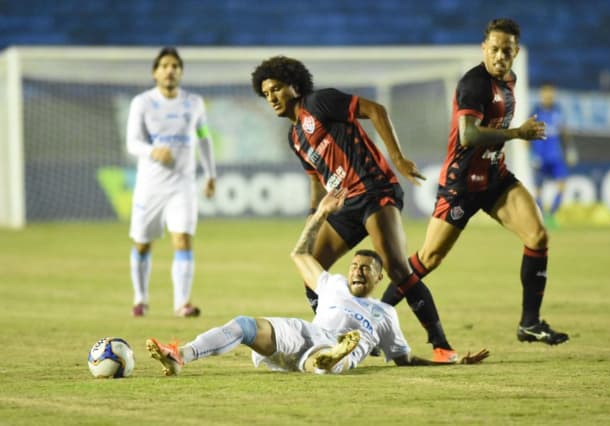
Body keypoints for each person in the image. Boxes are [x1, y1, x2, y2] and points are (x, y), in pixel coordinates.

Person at [146, 189, 489, 375]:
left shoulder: (386, 315)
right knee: (244, 325)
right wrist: (321, 215)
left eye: (365, 268)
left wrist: (450, 362)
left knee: (325, 357)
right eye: (355, 264)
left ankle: (328, 359)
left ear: (379, 277)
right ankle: (181, 355)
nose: (356, 270)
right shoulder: (333, 283)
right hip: (304, 333)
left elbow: (404, 360)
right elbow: (298, 254)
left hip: (335, 350)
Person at [250, 56, 458, 362]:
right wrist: (315, 217)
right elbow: (316, 181)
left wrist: (398, 158)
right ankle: (343, 333)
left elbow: (376, 110)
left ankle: (441, 345)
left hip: (374, 189)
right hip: (344, 206)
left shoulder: (320, 102)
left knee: (397, 268)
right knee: (313, 270)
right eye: (266, 94)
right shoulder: (295, 138)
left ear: (294, 85)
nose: (272, 98)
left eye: (277, 89)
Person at [396, 18, 569, 345]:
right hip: (462, 184)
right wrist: (518, 133)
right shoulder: (474, 84)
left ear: (516, 52)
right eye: (494, 49)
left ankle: (529, 323)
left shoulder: (510, 80)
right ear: (483, 49)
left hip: (494, 176)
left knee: (537, 235)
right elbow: (468, 134)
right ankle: (374, 313)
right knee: (429, 258)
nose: (500, 56)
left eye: (507, 50)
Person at [126, 47, 217, 317]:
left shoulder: (194, 103)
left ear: (181, 72)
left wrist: (211, 173)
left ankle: (182, 303)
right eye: (164, 65)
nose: (170, 70)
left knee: (183, 240)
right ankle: (140, 298)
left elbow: (203, 138)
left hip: (183, 186)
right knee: (142, 243)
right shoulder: (142, 103)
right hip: (150, 186)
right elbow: (132, 142)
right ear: (155, 73)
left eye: (175, 66)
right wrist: (153, 151)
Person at [529, 83, 577, 226]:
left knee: (562, 185)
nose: (548, 97)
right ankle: (542, 216)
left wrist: (570, 150)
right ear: (541, 95)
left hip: (556, 156)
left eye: (551, 94)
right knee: (538, 188)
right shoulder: (535, 112)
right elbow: (526, 134)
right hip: (540, 157)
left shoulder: (558, 111)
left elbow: (564, 131)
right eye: (546, 94)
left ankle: (553, 214)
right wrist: (530, 154)